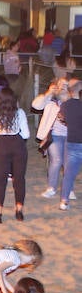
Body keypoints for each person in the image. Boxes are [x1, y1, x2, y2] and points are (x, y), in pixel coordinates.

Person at [0, 88, 29, 222]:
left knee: (0, 181)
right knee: (19, 179)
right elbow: (26, 134)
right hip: (17, 144)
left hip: (1, 145)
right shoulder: (20, 112)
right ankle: (19, 212)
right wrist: (16, 138)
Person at [33, 76, 70, 200]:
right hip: (54, 135)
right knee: (57, 160)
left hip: (70, 136)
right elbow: (36, 106)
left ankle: (68, 188)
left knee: (68, 163)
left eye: (66, 85)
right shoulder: (50, 101)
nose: (63, 87)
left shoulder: (74, 101)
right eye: (61, 84)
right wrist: (48, 93)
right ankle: (51, 188)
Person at [58, 79, 82, 212]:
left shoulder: (65, 105)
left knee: (69, 173)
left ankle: (64, 201)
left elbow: (62, 119)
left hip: (72, 141)